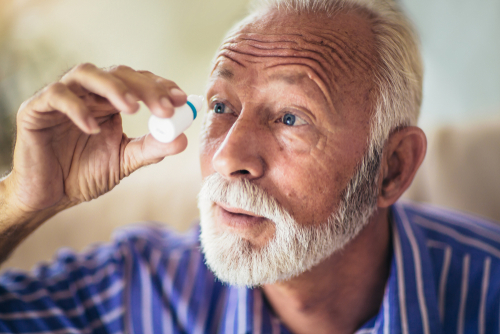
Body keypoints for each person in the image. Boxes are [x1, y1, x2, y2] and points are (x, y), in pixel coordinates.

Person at [0, 0, 499, 333]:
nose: (226, 156)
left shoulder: (487, 295)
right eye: (221, 107)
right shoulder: (141, 289)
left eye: (289, 117)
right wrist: (21, 199)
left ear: (392, 168)